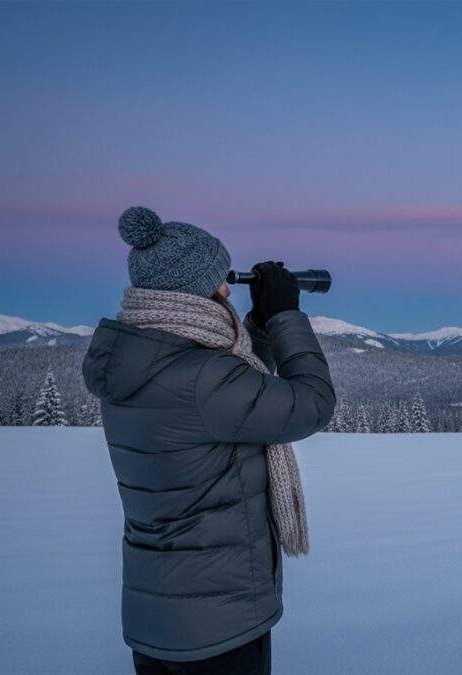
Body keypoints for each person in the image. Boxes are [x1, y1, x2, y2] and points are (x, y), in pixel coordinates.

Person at [82, 206, 336, 674]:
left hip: (157, 617)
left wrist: (255, 324)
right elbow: (312, 402)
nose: (227, 290)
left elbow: (235, 397)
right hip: (218, 629)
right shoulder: (202, 380)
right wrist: (284, 316)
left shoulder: (138, 362)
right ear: (195, 293)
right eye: (221, 281)